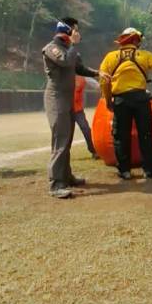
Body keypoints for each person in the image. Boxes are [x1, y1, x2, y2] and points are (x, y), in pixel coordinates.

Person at [99, 28, 152, 180]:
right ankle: (149, 170)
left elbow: (104, 81)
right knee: (145, 134)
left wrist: (108, 99)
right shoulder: (144, 55)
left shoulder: (110, 57)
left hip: (120, 100)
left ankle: (124, 171)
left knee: (120, 136)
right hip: (140, 99)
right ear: (135, 40)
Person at [43, 18, 99, 198]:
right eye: (75, 30)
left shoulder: (69, 49)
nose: (78, 33)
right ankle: (56, 184)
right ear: (68, 31)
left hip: (67, 99)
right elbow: (66, 62)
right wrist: (73, 45)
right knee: (60, 141)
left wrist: (98, 73)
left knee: (66, 140)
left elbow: (79, 68)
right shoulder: (52, 48)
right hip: (56, 98)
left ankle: (66, 176)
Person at [74, 75, 98, 157]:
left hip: (78, 110)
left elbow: (96, 86)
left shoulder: (82, 78)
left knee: (86, 130)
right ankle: (62, 154)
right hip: (65, 111)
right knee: (66, 134)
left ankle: (94, 150)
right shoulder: (63, 77)